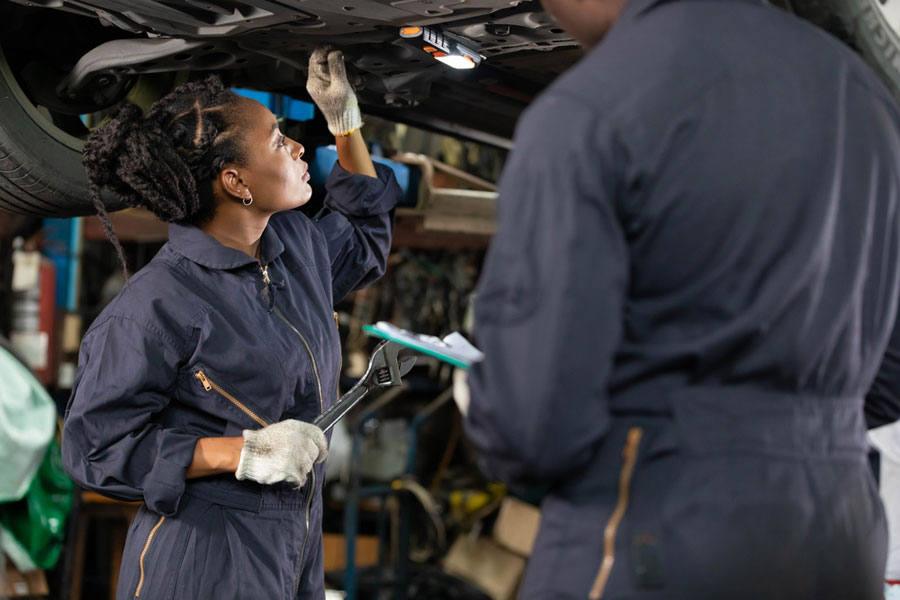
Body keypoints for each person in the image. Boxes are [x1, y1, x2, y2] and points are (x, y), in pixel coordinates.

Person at [462, 0, 900, 598]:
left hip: (659, 534)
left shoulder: (591, 107)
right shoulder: (866, 96)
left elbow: (537, 426)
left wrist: (485, 396)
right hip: (840, 538)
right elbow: (892, 376)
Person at [61, 47, 399, 599]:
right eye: (277, 140)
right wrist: (240, 452)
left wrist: (345, 124)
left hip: (293, 546)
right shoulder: (156, 307)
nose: (295, 146)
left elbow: (363, 234)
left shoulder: (294, 248)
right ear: (236, 181)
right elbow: (93, 452)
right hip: (202, 563)